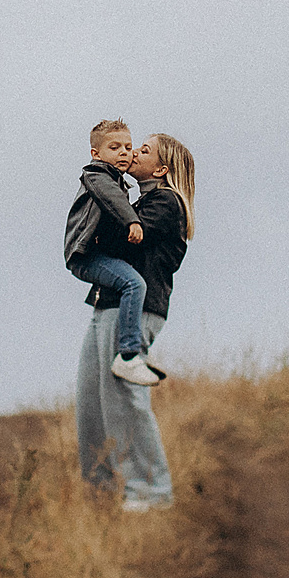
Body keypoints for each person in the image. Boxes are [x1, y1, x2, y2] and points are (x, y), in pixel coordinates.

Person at [76, 131, 195, 512]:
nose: (132, 153)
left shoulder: (164, 202)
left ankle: (151, 492)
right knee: (92, 402)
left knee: (125, 401)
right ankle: (102, 490)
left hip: (136, 312)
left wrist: (102, 184)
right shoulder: (140, 200)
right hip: (105, 306)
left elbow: (116, 241)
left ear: (160, 168)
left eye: (142, 150)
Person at [65, 119, 157, 384]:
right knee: (134, 284)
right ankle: (128, 356)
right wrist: (133, 220)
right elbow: (110, 197)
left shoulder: (116, 181)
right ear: (96, 154)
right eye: (115, 147)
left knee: (129, 282)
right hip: (85, 256)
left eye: (128, 147)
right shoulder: (96, 175)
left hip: (97, 254)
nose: (124, 153)